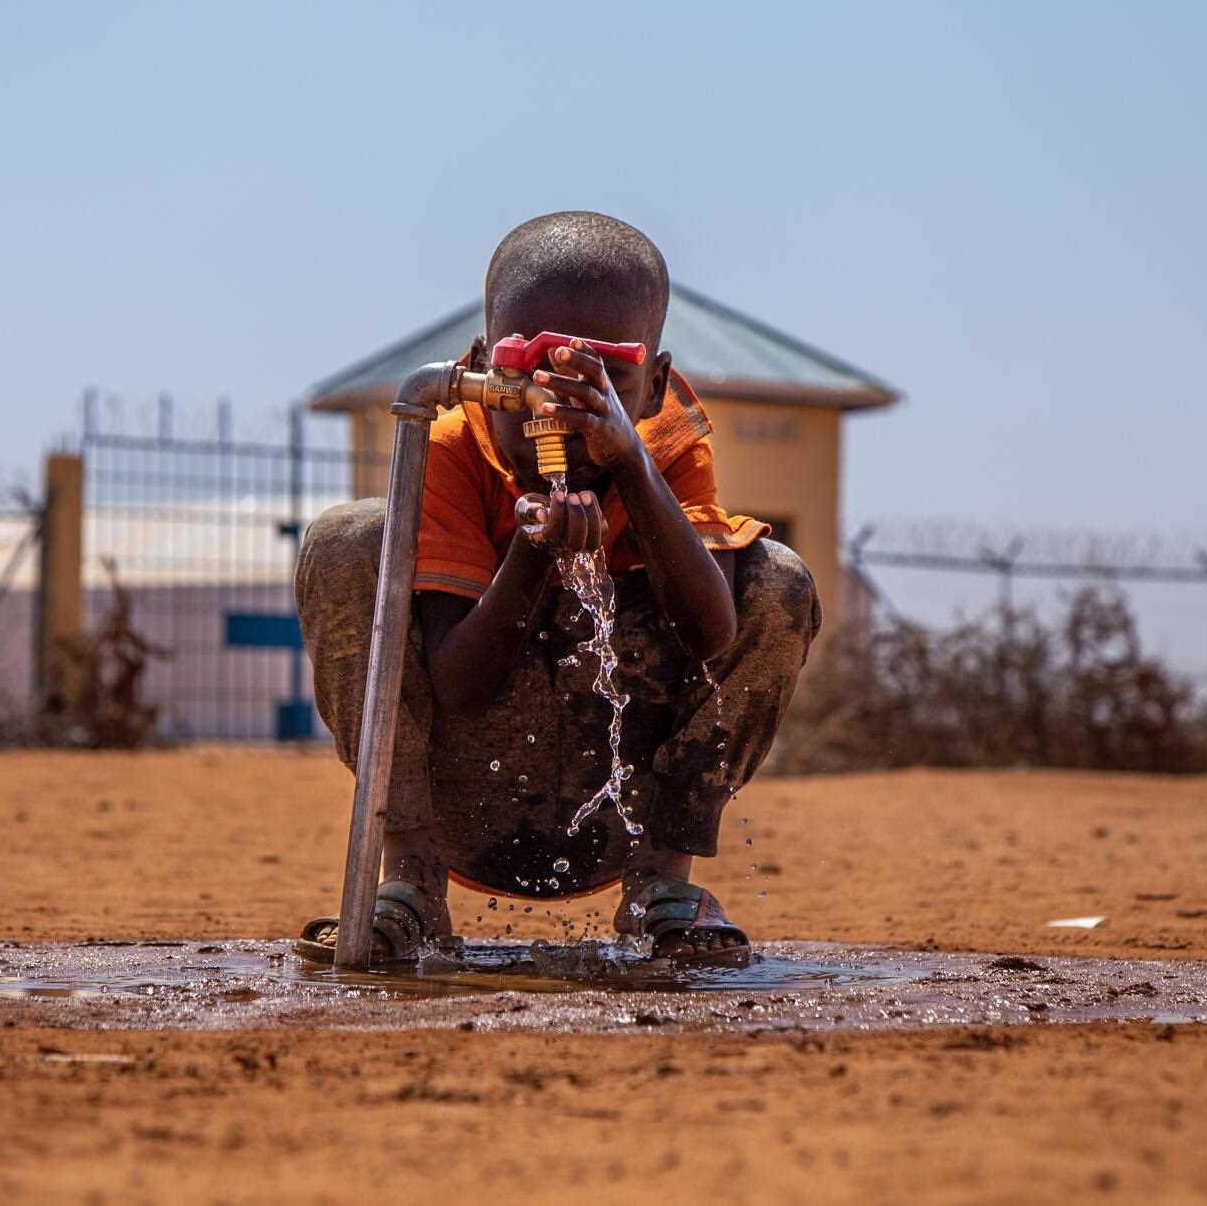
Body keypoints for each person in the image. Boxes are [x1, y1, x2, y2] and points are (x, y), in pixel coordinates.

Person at [295, 211, 820, 966]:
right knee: (347, 540)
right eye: (526, 371)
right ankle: (408, 878)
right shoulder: (454, 444)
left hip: (621, 811)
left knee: (779, 585)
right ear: (479, 366)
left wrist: (632, 467)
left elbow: (714, 635)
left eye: (605, 377)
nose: (557, 407)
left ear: (656, 386)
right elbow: (461, 685)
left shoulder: (665, 444)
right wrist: (535, 554)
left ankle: (662, 887)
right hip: (462, 801)